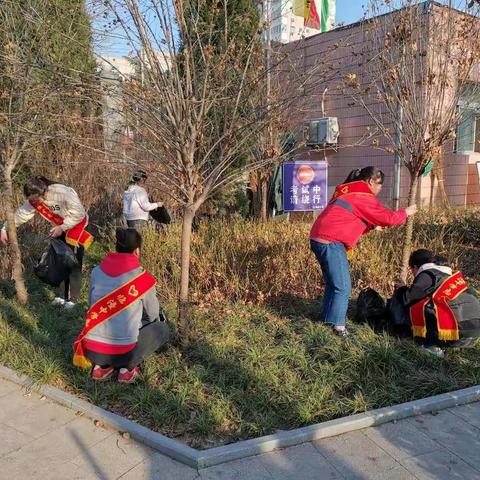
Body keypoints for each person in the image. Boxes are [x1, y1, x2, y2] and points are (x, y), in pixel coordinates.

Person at [310, 166, 417, 336]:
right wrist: (406, 212)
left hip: (319, 238)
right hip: (331, 241)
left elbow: (349, 217)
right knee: (343, 287)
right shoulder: (363, 195)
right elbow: (387, 218)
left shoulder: (347, 191)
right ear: (371, 181)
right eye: (380, 184)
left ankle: (329, 320)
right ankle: (338, 327)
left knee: (333, 284)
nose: (380, 189)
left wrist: (372, 226)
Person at [73, 228, 170, 383]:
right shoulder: (142, 277)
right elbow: (153, 314)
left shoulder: (96, 271)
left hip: (92, 350)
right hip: (123, 352)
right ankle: (127, 369)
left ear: (116, 248)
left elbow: (92, 306)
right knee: (162, 328)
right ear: (137, 251)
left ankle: (101, 368)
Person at [0, 176, 93, 308]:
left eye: (36, 200)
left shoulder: (62, 193)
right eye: (32, 200)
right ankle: (63, 296)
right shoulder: (34, 199)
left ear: (43, 192)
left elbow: (79, 213)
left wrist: (62, 227)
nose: (35, 203)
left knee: (73, 264)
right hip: (59, 229)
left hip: (75, 228)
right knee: (61, 263)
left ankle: (73, 300)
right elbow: (20, 215)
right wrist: (4, 229)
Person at [393, 249, 480, 357]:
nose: (413, 274)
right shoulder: (450, 275)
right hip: (474, 334)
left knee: (417, 307)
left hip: (457, 334)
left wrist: (402, 289)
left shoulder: (428, 275)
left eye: (412, 270)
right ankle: (449, 344)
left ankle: (429, 345)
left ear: (415, 267)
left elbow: (407, 299)